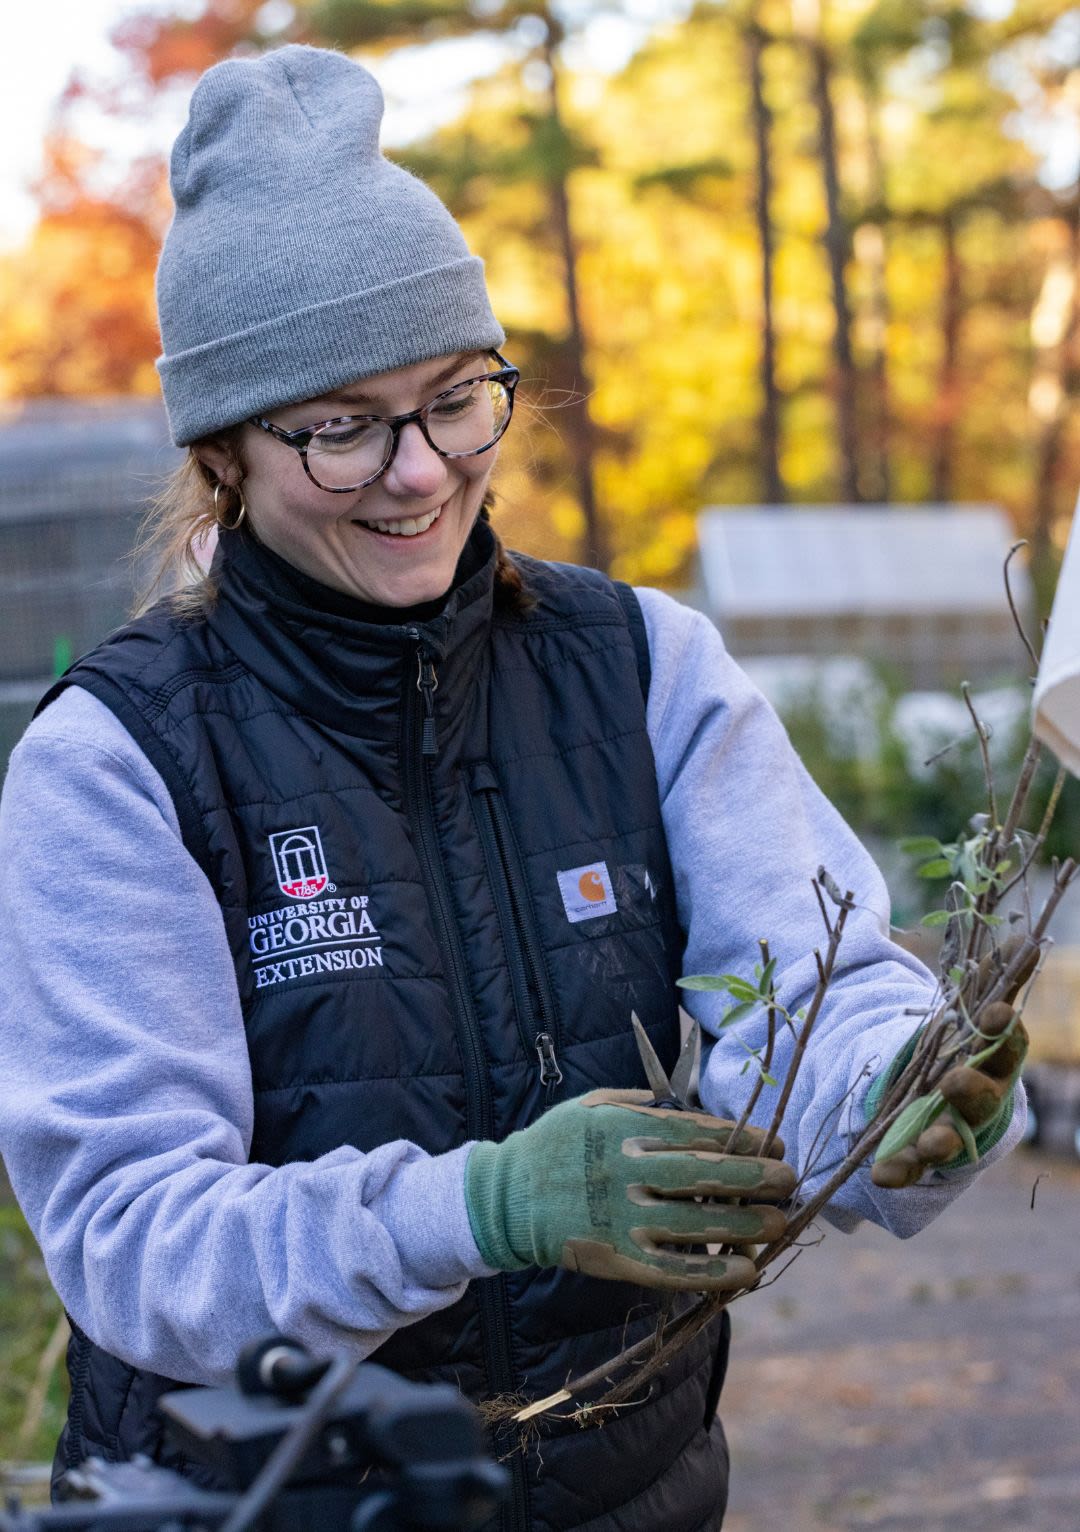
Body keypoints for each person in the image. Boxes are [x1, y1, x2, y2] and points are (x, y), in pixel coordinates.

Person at [0, 45, 1027, 1532]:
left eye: (455, 399)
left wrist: (893, 1090)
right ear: (223, 447)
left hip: (632, 1492)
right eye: (342, 424)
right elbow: (136, 1246)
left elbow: (797, 996)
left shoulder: (642, 669)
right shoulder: (121, 766)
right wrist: (478, 1207)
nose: (421, 472)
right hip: (260, 1506)